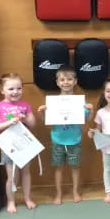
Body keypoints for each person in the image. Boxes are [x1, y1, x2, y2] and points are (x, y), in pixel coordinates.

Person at [37, 65, 93, 205]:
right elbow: (47, 122)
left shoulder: (81, 102)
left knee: (75, 167)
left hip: (75, 139)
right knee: (59, 168)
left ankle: (75, 192)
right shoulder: (52, 103)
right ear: (57, 82)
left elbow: (85, 121)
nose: (66, 82)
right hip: (57, 140)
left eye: (69, 79)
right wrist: (42, 113)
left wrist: (90, 111)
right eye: (62, 79)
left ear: (75, 81)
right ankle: (58, 193)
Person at [0, 73, 36, 214]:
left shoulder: (25, 105)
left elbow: (33, 124)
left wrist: (25, 118)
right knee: (12, 175)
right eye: (11, 89)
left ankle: (27, 198)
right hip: (8, 146)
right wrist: (9, 122)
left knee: (26, 172)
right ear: (2, 90)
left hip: (25, 144)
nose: (15, 92)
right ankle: (11, 201)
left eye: (19, 88)